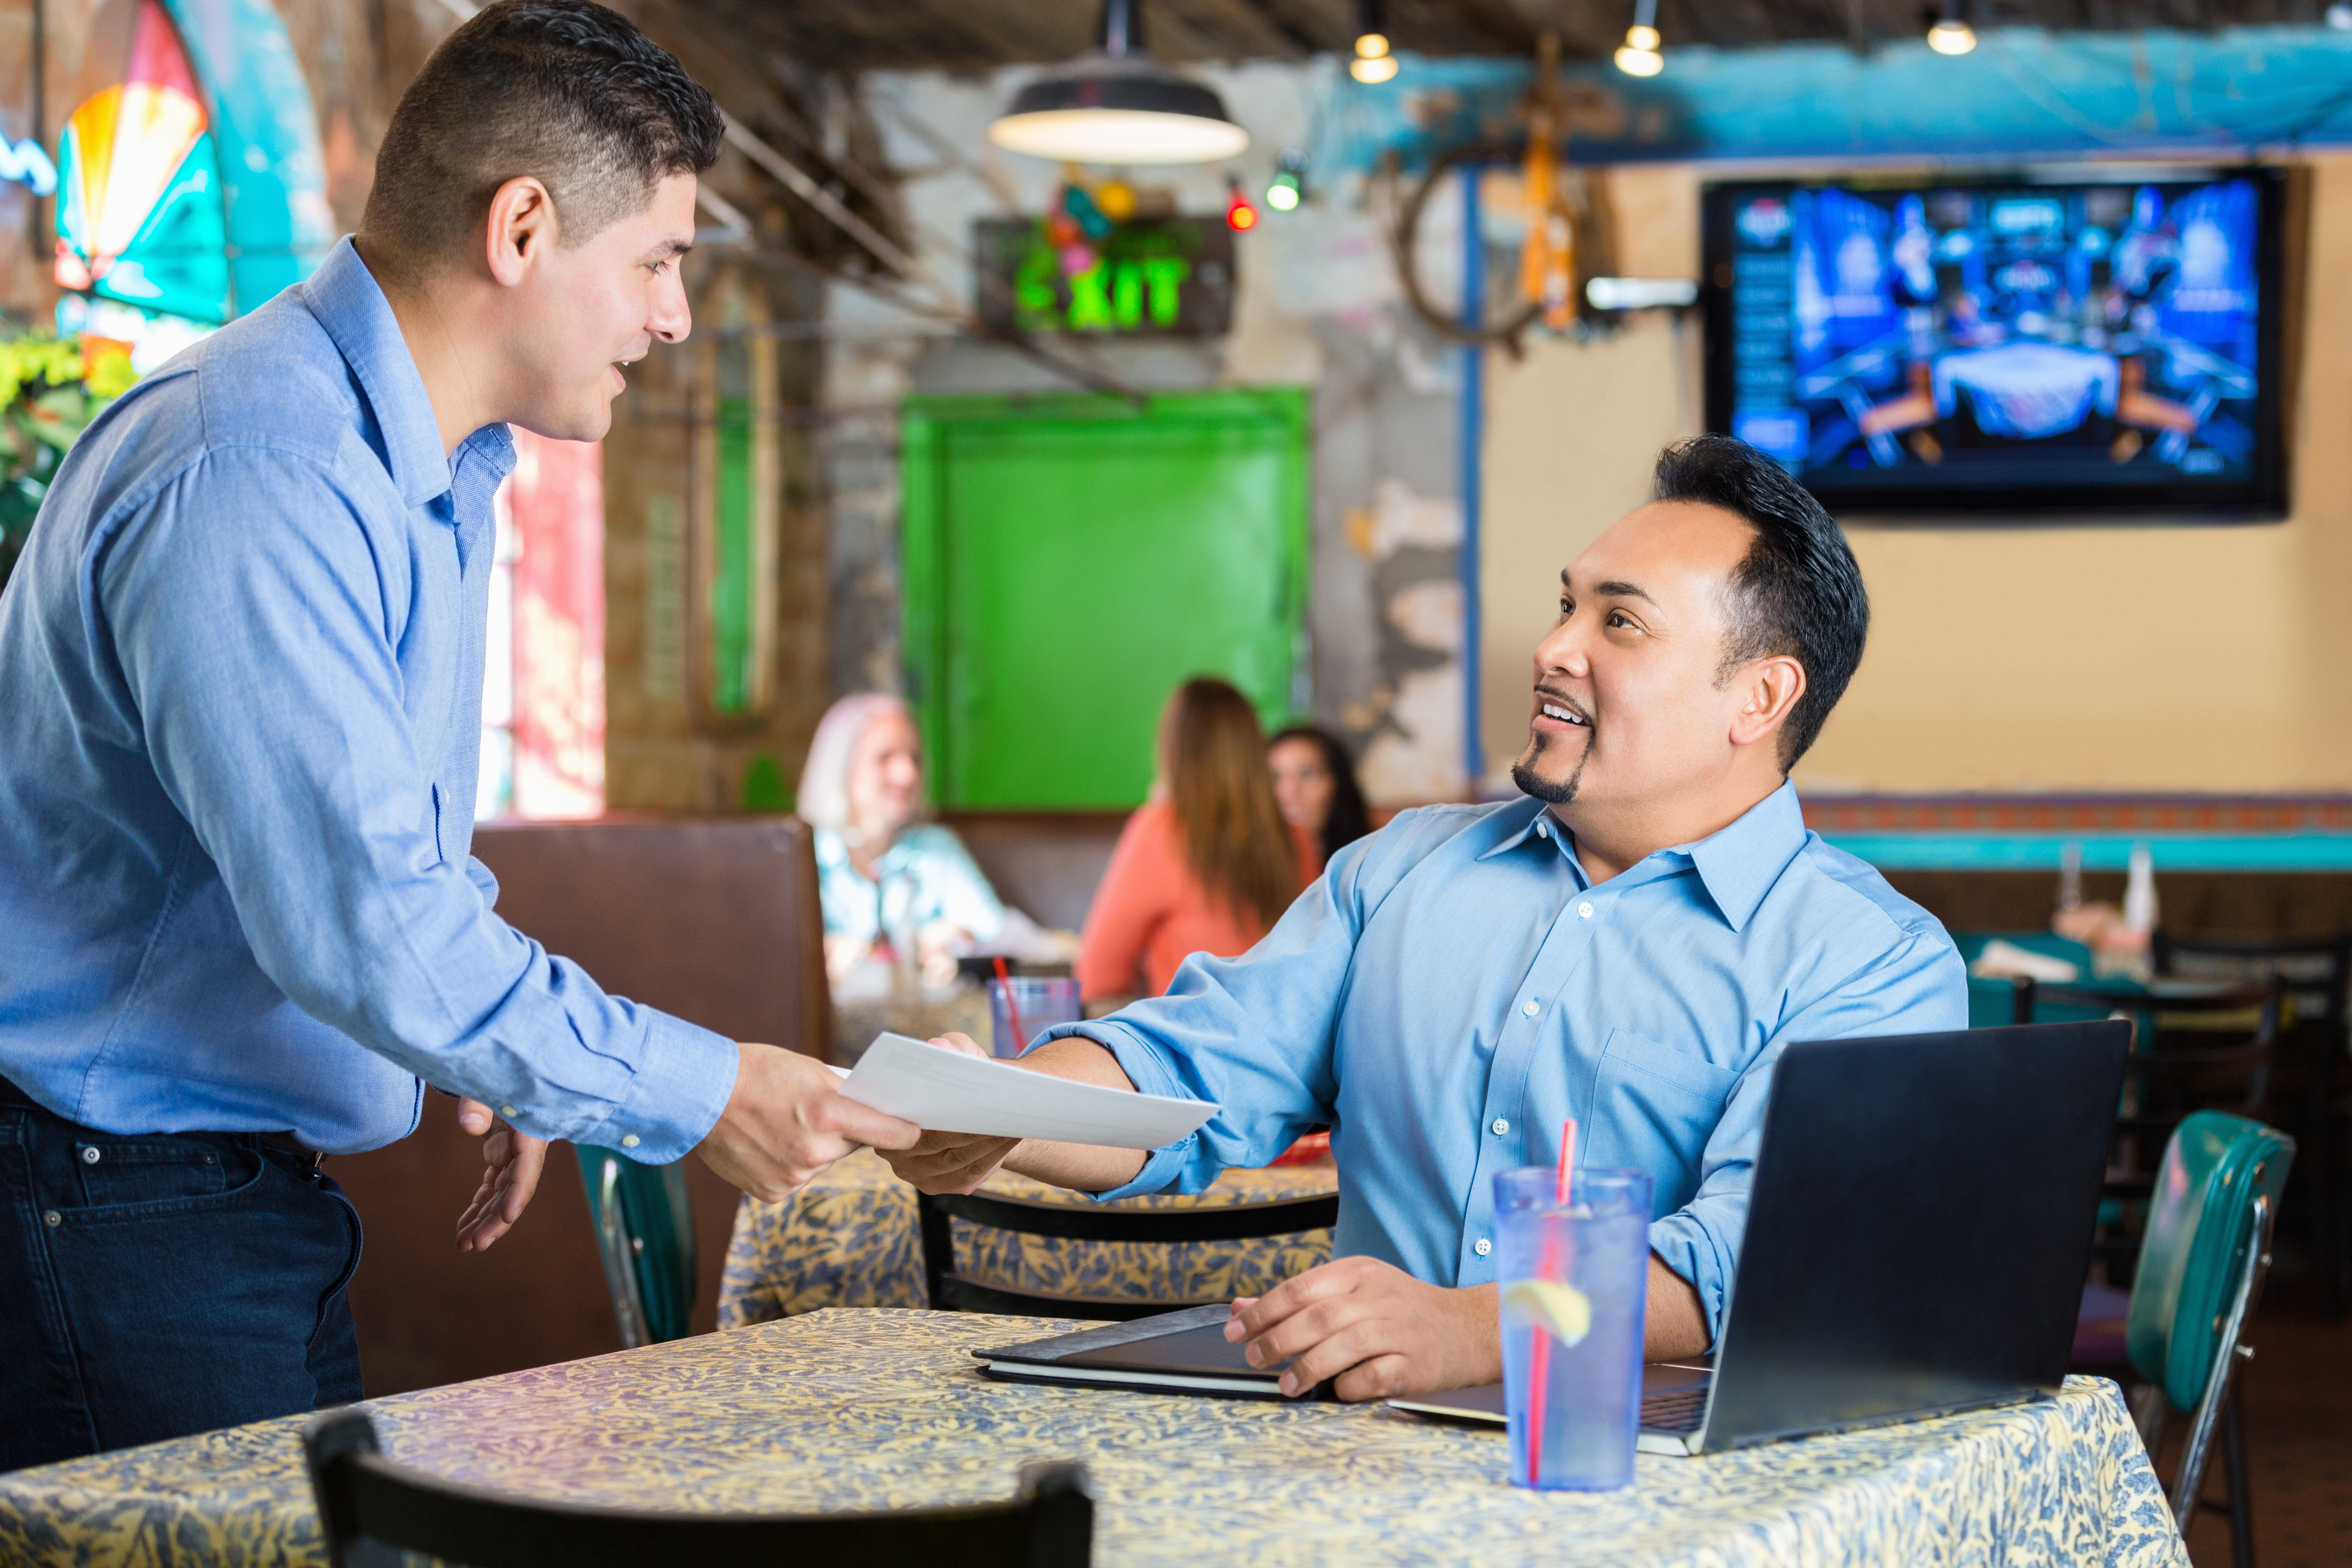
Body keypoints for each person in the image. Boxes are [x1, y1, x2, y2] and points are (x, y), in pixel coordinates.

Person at [0, 1, 918, 1471]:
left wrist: (508, 1052)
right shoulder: (257, 468)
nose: (675, 316)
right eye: (660, 261)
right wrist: (692, 1095)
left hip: (201, 1193)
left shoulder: (426, 461)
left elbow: (388, 851)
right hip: (103, 1198)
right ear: (525, 229)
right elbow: (365, 924)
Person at [884, 435, 1968, 1402]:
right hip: (1357, 1476)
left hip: (1655, 1493)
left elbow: (1757, 1250)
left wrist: (1474, 1328)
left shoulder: (1871, 963)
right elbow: (1193, 1067)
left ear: (1758, 699)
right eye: (1565, 604)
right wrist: (997, 1105)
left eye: (1619, 621)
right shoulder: (1400, 868)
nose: (1553, 648)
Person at [1076, 677, 1315, 1006]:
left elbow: (1098, 977)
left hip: (1192, 1048)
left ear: (1175, 749)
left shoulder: (1163, 829)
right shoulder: (1295, 836)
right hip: (1286, 1048)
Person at [798, 693, 1007, 987]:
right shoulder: (802, 854)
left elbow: (1000, 932)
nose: (907, 774)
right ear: (841, 767)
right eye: (884, 758)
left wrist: (957, 936)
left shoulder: (936, 847)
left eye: (914, 758)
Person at [1267, 724, 1372, 879]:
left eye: (1308, 775)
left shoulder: (1369, 863)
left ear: (1338, 785)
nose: (1289, 791)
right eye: (1275, 777)